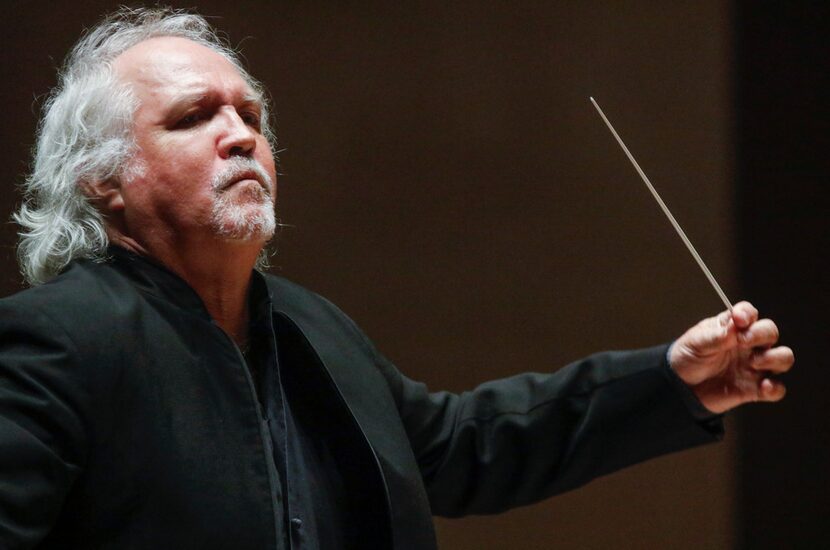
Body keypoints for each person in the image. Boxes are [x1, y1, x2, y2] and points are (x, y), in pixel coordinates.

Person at [0, 7, 793, 550]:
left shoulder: (313, 328)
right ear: (103, 179)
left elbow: (462, 448)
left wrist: (671, 382)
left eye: (252, 117)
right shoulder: (58, 340)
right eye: (193, 118)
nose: (240, 135)